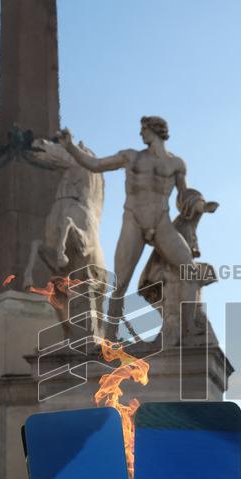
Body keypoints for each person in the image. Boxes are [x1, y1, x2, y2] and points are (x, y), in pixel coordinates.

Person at [57, 117, 203, 339]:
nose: (140, 134)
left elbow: (183, 197)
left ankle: (189, 326)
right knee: (121, 283)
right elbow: (95, 165)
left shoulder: (177, 164)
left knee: (190, 270)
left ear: (155, 131)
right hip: (134, 219)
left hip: (161, 221)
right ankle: (110, 335)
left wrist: (195, 203)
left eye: (143, 129)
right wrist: (69, 147)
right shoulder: (131, 156)